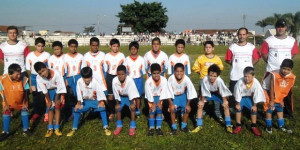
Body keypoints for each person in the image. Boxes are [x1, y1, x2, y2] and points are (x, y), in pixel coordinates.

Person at [260, 20, 299, 119]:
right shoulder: (269, 40)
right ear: (276, 28)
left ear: (286, 28)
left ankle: (288, 112)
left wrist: (287, 65)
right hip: (272, 71)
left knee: (286, 92)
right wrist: (270, 62)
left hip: (286, 73)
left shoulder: (291, 40)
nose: (280, 29)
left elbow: (294, 52)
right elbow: (263, 53)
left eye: (282, 26)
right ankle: (270, 111)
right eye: (278, 26)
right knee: (270, 91)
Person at [67, 67, 111, 137]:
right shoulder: (79, 82)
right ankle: (74, 128)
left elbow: (100, 92)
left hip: (94, 101)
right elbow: (79, 94)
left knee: (102, 108)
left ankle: (106, 127)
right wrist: (79, 103)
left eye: (88, 77)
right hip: (85, 101)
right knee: (77, 109)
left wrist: (101, 101)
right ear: (82, 77)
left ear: (91, 76)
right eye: (84, 78)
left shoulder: (95, 82)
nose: (87, 80)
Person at [225, 27, 260, 110]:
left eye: (244, 34)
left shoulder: (251, 47)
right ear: (237, 35)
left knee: (249, 92)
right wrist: (235, 65)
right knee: (234, 93)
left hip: (248, 76)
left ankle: (248, 107)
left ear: (247, 35)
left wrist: (250, 65)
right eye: (240, 34)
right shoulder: (232, 47)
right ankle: (232, 109)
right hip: (235, 76)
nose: (242, 36)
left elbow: (256, 58)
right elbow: (228, 59)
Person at [191, 64, 233, 133]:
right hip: (208, 93)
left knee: (226, 105)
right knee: (200, 105)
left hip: (217, 93)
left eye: (214, 76)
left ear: (217, 76)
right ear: (208, 74)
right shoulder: (205, 79)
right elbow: (204, 90)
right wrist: (202, 100)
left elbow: (223, 91)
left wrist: (225, 100)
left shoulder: (219, 81)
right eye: (210, 75)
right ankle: (199, 125)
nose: (212, 78)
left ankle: (228, 125)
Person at [192, 41, 224, 121]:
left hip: (214, 82)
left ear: (213, 48)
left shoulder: (217, 58)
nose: (208, 49)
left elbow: (220, 68)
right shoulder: (200, 58)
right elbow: (196, 68)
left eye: (209, 47)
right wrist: (202, 75)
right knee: (203, 97)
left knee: (216, 98)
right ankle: (201, 112)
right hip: (203, 81)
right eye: (206, 47)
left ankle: (218, 113)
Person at [35, 62, 66, 137]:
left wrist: (57, 99)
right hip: (49, 93)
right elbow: (44, 90)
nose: (42, 74)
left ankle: (57, 128)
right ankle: (50, 128)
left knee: (57, 107)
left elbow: (60, 86)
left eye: (43, 71)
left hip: (58, 92)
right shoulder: (39, 78)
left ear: (47, 67)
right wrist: (49, 101)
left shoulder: (57, 73)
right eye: (40, 73)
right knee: (50, 108)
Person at [263, 59, 295, 134]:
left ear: (291, 70)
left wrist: (281, 99)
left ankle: (281, 125)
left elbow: (285, 89)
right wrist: (272, 100)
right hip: (268, 90)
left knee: (280, 108)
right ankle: (268, 126)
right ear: (280, 67)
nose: (285, 71)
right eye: (284, 68)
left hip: (277, 91)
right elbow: (272, 88)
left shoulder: (291, 76)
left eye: (288, 70)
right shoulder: (274, 74)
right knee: (269, 108)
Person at [0, 64, 30, 141]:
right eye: (17, 74)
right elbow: (2, 92)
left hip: (21, 101)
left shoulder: (23, 79)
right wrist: (6, 104)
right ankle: (5, 131)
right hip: (8, 102)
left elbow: (26, 92)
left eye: (20, 73)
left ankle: (26, 129)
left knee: (24, 110)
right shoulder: (3, 79)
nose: (19, 76)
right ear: (10, 74)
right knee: (6, 111)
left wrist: (24, 103)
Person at [233, 67, 266, 136]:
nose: (247, 78)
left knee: (253, 110)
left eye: (249, 77)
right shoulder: (240, 82)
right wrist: (237, 104)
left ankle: (253, 126)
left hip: (249, 98)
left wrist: (254, 105)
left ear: (253, 76)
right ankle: (238, 125)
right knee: (238, 108)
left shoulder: (256, 83)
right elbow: (237, 93)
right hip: (241, 98)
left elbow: (257, 95)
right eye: (245, 76)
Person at [25, 37, 50, 123]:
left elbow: (49, 67)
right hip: (34, 78)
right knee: (35, 95)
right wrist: (31, 84)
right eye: (38, 46)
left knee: (47, 94)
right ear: (35, 46)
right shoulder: (30, 55)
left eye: (42, 46)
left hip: (44, 77)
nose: (40, 48)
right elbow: (30, 71)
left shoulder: (47, 55)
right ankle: (36, 112)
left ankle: (47, 112)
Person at [168, 63, 197, 135]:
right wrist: (170, 104)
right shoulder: (171, 78)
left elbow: (190, 91)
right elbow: (167, 91)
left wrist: (188, 104)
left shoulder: (186, 79)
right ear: (174, 71)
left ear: (184, 71)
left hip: (183, 96)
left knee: (187, 109)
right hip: (174, 97)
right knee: (172, 109)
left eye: (181, 71)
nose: (179, 73)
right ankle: (174, 127)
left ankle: (184, 126)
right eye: (177, 71)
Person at [145, 63, 172, 136]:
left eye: (158, 73)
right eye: (154, 73)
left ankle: (158, 128)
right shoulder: (148, 81)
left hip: (160, 97)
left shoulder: (164, 80)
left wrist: (160, 102)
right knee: (152, 111)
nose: (156, 75)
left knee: (159, 110)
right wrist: (152, 103)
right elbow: (148, 93)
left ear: (160, 72)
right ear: (151, 73)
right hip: (152, 98)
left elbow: (164, 91)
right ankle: (151, 128)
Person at [112, 65, 140, 136]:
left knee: (133, 108)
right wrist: (117, 103)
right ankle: (119, 125)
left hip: (129, 97)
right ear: (117, 74)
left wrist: (132, 103)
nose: (120, 76)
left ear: (126, 74)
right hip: (120, 97)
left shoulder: (130, 80)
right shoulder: (114, 81)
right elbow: (115, 93)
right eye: (119, 74)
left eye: (122, 74)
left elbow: (132, 92)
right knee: (117, 108)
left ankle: (133, 126)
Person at [103, 38, 125, 120]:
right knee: (110, 96)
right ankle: (111, 112)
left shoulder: (121, 55)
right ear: (110, 46)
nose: (115, 48)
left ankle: (119, 110)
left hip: (119, 77)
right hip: (110, 76)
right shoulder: (107, 56)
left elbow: (124, 67)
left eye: (117, 46)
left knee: (119, 94)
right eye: (114, 46)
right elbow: (105, 69)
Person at [124, 41, 146, 117]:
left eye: (135, 49)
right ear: (130, 49)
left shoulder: (141, 59)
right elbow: (125, 71)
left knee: (138, 96)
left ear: (138, 49)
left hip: (138, 79)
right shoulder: (126, 59)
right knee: (131, 95)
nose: (133, 50)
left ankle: (137, 109)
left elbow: (143, 71)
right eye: (132, 49)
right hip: (130, 80)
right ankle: (131, 108)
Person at [64, 39, 83, 120]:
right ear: (69, 47)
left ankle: (80, 111)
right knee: (71, 96)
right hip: (69, 78)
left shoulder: (81, 56)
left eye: (75, 47)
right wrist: (65, 79)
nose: (73, 48)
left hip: (78, 77)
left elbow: (83, 68)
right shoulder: (65, 57)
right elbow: (64, 69)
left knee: (79, 95)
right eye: (71, 47)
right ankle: (72, 112)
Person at [47, 41, 66, 122]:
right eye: (55, 49)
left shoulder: (65, 57)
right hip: (54, 81)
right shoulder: (51, 58)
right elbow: (49, 70)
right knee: (54, 97)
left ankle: (64, 114)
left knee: (64, 97)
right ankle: (52, 114)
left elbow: (67, 68)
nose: (57, 51)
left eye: (58, 49)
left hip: (63, 78)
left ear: (61, 48)